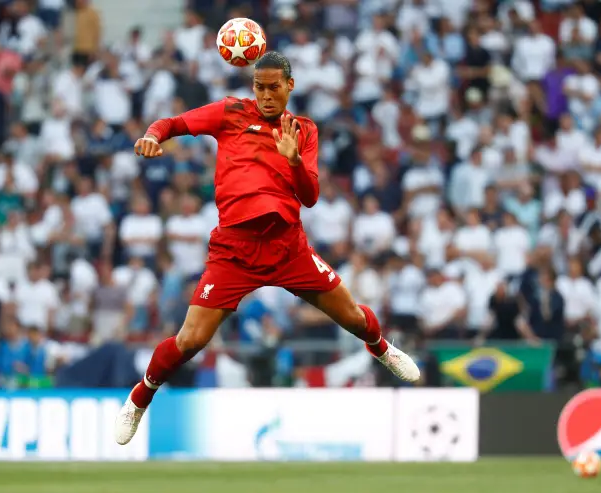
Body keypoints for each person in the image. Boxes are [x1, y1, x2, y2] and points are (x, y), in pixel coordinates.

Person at [114, 52, 420, 445]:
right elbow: (173, 123)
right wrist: (153, 136)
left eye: (274, 87)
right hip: (234, 251)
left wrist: (293, 161)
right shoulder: (229, 112)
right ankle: (140, 398)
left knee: (354, 318)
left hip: (287, 246)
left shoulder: (303, 130)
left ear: (289, 86)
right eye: (259, 86)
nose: (265, 95)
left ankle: (381, 349)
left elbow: (310, 197)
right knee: (189, 340)